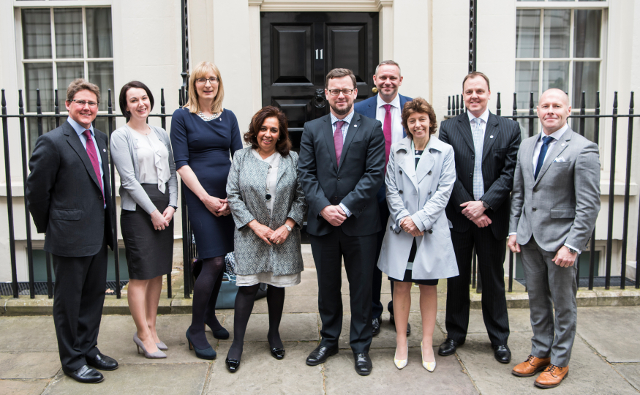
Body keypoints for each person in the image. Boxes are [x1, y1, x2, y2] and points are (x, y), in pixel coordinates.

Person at [26, 79, 117, 383]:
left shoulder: (101, 137)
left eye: (92, 103)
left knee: (93, 298)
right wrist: (52, 226)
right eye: (81, 102)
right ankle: (72, 360)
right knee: (69, 303)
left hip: (97, 233)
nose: (87, 107)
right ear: (68, 104)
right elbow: (37, 193)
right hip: (68, 236)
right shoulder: (52, 141)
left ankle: (89, 349)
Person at [508, 88, 600, 389]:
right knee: (536, 300)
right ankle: (540, 352)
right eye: (545, 105)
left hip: (561, 241)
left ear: (568, 110)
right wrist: (513, 230)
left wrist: (573, 245)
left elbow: (588, 204)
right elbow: (520, 193)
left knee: (563, 304)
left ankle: (560, 361)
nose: (550, 110)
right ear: (537, 110)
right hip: (529, 238)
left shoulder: (583, 149)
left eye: (556, 106)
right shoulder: (527, 145)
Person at [298, 68, 385, 376]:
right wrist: (323, 208)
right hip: (323, 224)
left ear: (355, 93)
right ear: (326, 93)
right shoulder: (311, 128)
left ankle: (361, 346)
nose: (340, 95)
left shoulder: (372, 128)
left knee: (361, 288)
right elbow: (305, 173)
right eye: (334, 90)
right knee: (328, 287)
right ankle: (329, 340)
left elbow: (374, 175)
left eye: (346, 90)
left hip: (360, 223)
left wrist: (345, 207)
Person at [438, 71, 521, 363]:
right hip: (460, 219)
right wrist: (469, 208)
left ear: (488, 93)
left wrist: (484, 205)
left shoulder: (509, 128)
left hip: (492, 219)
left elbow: (510, 174)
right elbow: (447, 173)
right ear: (463, 95)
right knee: (456, 280)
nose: (474, 96)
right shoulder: (448, 128)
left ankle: (499, 339)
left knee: (493, 280)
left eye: (479, 91)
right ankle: (455, 334)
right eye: (469, 91)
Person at [378, 98, 458, 372]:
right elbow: (390, 187)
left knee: (428, 286)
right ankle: (401, 341)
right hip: (401, 229)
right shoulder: (397, 149)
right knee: (400, 286)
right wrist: (404, 218)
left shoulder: (445, 150)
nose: (417, 124)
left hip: (430, 228)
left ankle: (426, 343)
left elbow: (444, 190)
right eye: (412, 120)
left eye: (422, 119)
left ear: (430, 122)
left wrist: (421, 220)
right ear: (407, 124)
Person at [225, 106, 307, 373]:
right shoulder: (241, 156)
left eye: (274, 129)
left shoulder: (292, 159)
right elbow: (233, 194)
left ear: (281, 133)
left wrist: (288, 226)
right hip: (251, 234)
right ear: (255, 130)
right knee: (247, 287)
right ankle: (237, 343)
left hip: (283, 235)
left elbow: (303, 196)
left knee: (276, 285)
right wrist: (254, 225)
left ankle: (274, 334)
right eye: (263, 128)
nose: (268, 134)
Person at [170, 61, 242, 360]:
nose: (207, 84)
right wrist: (207, 198)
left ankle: (210, 316)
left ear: (218, 83)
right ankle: (196, 330)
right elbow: (182, 163)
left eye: (212, 79)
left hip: (227, 198)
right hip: (200, 197)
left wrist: (231, 198)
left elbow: (238, 158)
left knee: (219, 259)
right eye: (201, 80)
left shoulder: (229, 117)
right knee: (213, 261)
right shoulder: (181, 117)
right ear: (194, 85)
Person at [110, 81, 178, 359]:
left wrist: (172, 205)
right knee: (140, 275)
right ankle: (142, 334)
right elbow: (128, 180)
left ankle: (152, 328)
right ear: (125, 105)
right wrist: (152, 211)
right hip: (139, 210)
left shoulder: (161, 132)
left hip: (164, 205)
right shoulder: (120, 136)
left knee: (158, 272)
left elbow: (173, 171)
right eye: (134, 100)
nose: (141, 103)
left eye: (144, 98)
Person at [354, 60, 413, 336]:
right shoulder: (360, 109)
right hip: (372, 194)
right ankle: (374, 312)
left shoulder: (413, 107)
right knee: (372, 256)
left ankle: (398, 310)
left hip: (405, 195)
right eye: (383, 77)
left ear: (401, 80)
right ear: (374, 79)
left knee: (402, 256)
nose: (387, 82)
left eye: (393, 77)